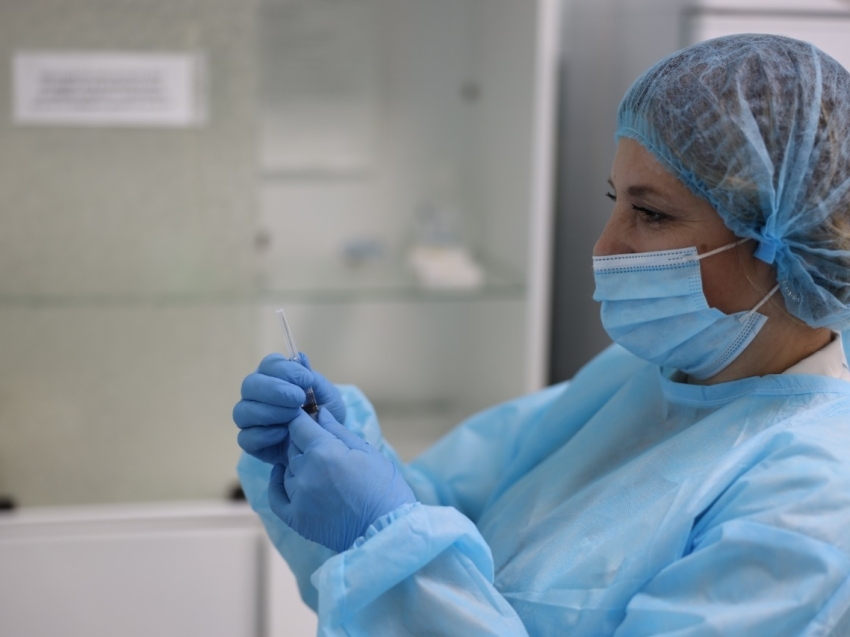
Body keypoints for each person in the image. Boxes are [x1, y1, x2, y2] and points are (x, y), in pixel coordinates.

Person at [232, 34, 850, 635]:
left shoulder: (812, 500)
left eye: (651, 213)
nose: (605, 246)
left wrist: (381, 534)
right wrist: (339, 452)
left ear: (787, 239)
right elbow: (438, 511)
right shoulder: (643, 376)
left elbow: (403, 541)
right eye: (615, 199)